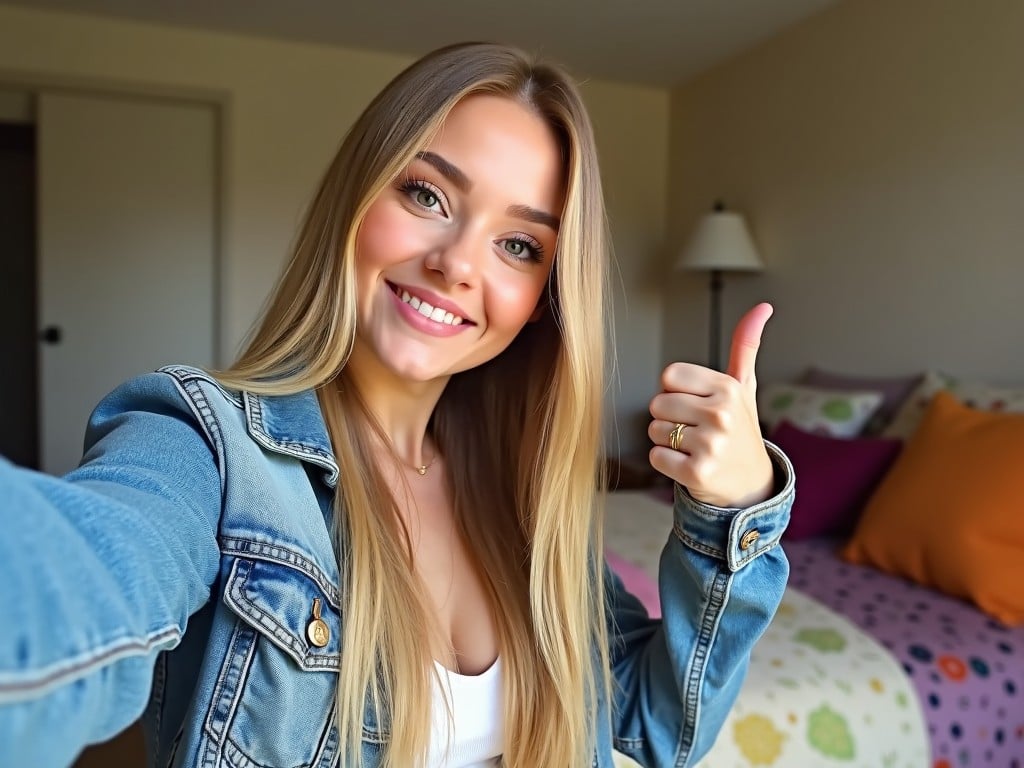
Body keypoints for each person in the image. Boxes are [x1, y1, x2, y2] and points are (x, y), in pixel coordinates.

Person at [0, 42, 792, 768]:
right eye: (427, 194)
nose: (455, 264)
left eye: (519, 246)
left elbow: (659, 728)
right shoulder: (206, 448)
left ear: (541, 302)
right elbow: (85, 576)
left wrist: (735, 510)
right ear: (358, 196)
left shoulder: (528, 505)